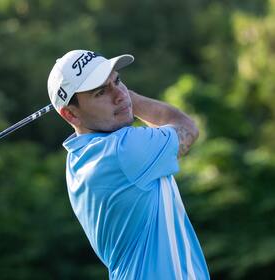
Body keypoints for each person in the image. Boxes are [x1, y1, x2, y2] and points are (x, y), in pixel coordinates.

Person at [47, 50, 210, 280]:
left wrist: (116, 95)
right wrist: (131, 98)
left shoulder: (77, 159)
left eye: (118, 81)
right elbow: (186, 128)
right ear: (71, 114)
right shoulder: (122, 150)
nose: (120, 95)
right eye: (100, 92)